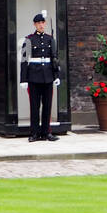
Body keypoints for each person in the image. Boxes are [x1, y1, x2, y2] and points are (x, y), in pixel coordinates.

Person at [20, 12, 61, 142]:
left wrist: (56, 76)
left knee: (47, 106)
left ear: (45, 24)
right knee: (35, 106)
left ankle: (46, 132)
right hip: (34, 76)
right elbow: (25, 61)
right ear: (35, 24)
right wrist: (24, 79)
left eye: (42, 23)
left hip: (48, 76)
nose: (41, 25)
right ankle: (34, 133)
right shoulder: (29, 39)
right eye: (38, 23)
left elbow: (54, 59)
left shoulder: (50, 39)